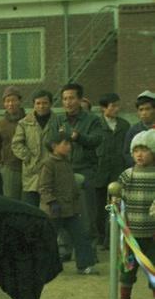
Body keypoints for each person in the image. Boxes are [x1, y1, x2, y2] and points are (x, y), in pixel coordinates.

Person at [45, 83, 103, 243]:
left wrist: (79, 137)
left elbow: (96, 140)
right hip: (62, 171)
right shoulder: (57, 120)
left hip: (85, 170)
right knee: (63, 211)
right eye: (64, 99)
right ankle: (64, 248)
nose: (68, 102)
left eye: (71, 98)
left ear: (79, 99)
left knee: (86, 212)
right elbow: (50, 142)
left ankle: (88, 250)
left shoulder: (92, 120)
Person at [38, 133, 98, 275]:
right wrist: (52, 202)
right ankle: (42, 266)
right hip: (54, 210)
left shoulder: (66, 162)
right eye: (65, 144)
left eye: (69, 144)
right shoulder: (48, 164)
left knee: (81, 236)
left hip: (70, 209)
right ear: (54, 146)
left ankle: (85, 265)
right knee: (48, 240)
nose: (69, 146)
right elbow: (44, 187)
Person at [116, 129, 155, 299]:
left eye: (145, 150)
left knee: (153, 269)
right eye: (136, 150)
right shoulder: (127, 176)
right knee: (127, 269)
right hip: (130, 234)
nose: (139, 154)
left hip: (153, 234)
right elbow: (117, 197)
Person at [95, 93, 130, 246]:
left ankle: (112, 240)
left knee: (116, 208)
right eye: (113, 106)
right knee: (99, 210)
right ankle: (101, 237)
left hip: (118, 172)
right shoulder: (96, 124)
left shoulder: (124, 125)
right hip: (99, 172)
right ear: (104, 108)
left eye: (117, 105)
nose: (116, 109)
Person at [12, 89, 54, 208]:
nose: (41, 106)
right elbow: (16, 144)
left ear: (50, 104)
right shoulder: (24, 123)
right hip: (31, 174)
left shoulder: (58, 121)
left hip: (52, 172)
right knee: (31, 209)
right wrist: (29, 158)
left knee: (49, 210)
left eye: (45, 103)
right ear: (34, 104)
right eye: (38, 103)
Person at [0, 86, 25, 200]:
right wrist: (0, 167)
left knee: (29, 203)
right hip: (10, 169)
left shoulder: (29, 121)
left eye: (14, 100)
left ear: (20, 101)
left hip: (29, 168)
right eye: (7, 101)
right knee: (12, 202)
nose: (11, 104)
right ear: (4, 104)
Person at [122, 90, 155, 167]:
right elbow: (126, 153)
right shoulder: (134, 130)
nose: (144, 113)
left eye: (147, 109)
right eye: (141, 109)